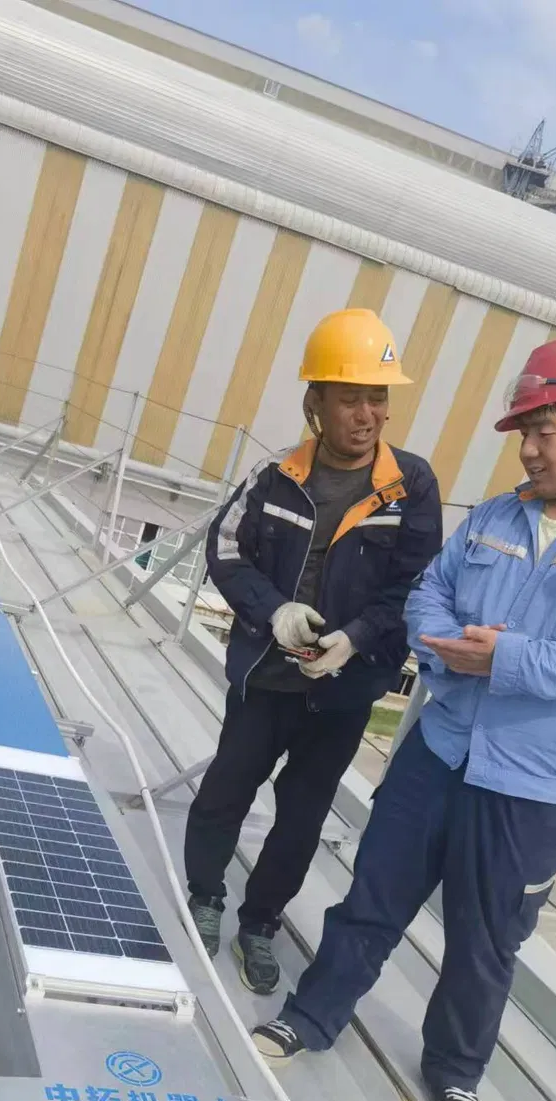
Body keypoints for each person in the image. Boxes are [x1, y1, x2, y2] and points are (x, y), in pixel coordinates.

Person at [252, 336, 556, 1101]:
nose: (526, 450)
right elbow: (428, 596)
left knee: (485, 938)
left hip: (535, 784)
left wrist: (507, 658)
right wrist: (441, 645)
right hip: (440, 747)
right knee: (371, 899)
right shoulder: (497, 515)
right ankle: (309, 1015)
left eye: (541, 432)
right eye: (522, 433)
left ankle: (455, 1069)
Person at [185, 309, 443, 994]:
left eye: (378, 396)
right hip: (266, 677)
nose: (369, 414)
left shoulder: (409, 487)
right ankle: (204, 894)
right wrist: (275, 612)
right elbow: (226, 548)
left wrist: (354, 639)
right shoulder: (274, 477)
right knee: (225, 789)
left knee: (300, 816)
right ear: (315, 404)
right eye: (352, 397)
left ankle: (259, 922)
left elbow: (414, 587)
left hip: (340, 692)